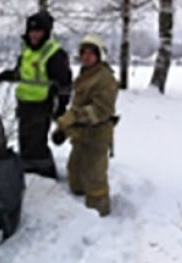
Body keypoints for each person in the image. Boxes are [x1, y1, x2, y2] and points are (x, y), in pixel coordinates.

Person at [0, 10, 72, 179]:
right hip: (24, 103)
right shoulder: (27, 51)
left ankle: (45, 176)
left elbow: (65, 83)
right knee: (25, 141)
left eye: (38, 31)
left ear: (46, 32)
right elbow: (21, 74)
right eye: (32, 31)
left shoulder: (54, 54)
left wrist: (61, 107)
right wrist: (6, 76)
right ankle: (29, 174)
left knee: (36, 144)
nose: (34, 35)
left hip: (42, 104)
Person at [51, 34, 119, 217]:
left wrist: (72, 117)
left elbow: (101, 110)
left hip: (97, 135)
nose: (86, 56)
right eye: (84, 53)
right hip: (81, 136)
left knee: (94, 177)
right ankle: (79, 212)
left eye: (91, 53)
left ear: (100, 55)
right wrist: (64, 129)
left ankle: (100, 214)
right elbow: (77, 105)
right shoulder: (85, 75)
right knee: (75, 176)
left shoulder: (105, 78)